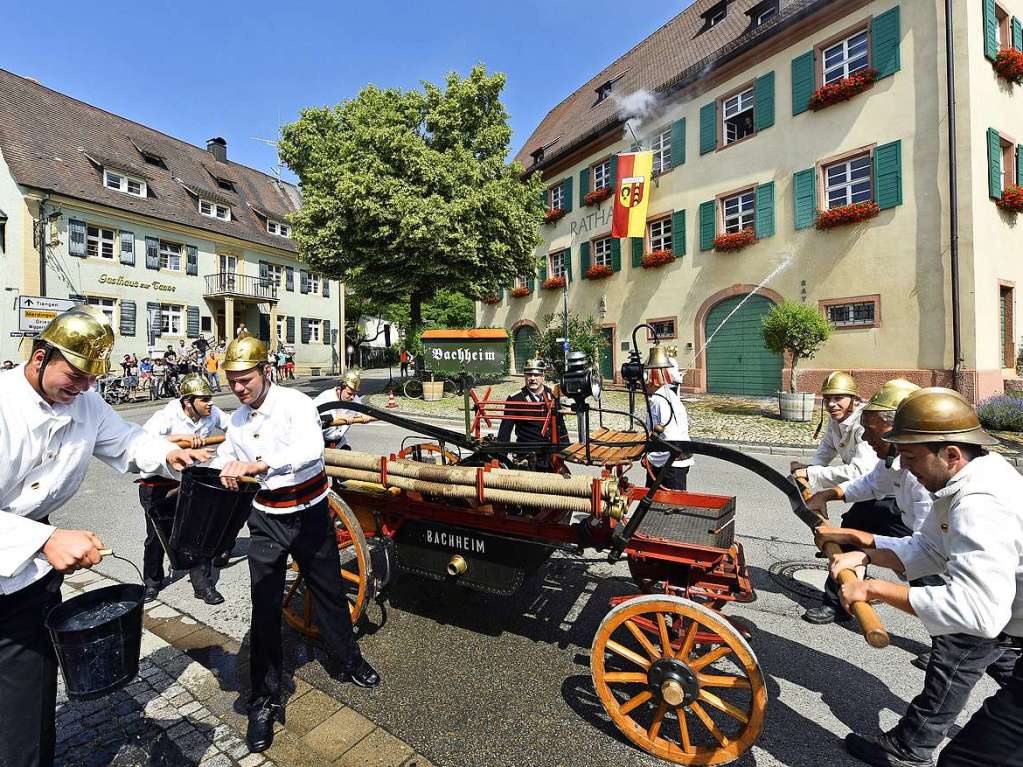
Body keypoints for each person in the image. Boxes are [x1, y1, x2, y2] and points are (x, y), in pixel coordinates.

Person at [0, 306, 209, 767]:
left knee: (27, 712)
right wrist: (41, 540)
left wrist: (165, 454)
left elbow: (127, 440)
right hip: (20, 549)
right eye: (75, 374)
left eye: (92, 378)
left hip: (27, 583)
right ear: (39, 357)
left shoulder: (86, 404)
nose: (83, 388)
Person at [819, 388, 1023, 767]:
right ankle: (908, 748)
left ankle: (907, 750)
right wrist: (866, 555)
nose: (905, 468)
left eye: (911, 457)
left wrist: (874, 587)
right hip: (1014, 624)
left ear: (950, 454)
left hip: (1004, 620)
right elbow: (928, 548)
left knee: (966, 759)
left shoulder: (981, 502)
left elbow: (978, 613)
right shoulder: (965, 478)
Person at [213, 334, 380, 753]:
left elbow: (310, 450)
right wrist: (223, 469)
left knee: (327, 591)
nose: (239, 389)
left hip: (309, 514)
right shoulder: (236, 423)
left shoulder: (296, 405)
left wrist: (262, 463)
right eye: (232, 381)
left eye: (245, 379)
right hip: (268, 519)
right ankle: (264, 701)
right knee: (265, 610)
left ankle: (348, 659)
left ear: (265, 372)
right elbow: (225, 458)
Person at [803, 379, 944, 626]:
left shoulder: (924, 474)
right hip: (882, 503)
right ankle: (837, 603)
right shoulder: (895, 456)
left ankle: (947, 638)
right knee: (848, 531)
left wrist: (870, 571)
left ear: (899, 428)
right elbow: (871, 483)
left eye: (871, 429)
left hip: (903, 517)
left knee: (925, 568)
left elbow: (926, 549)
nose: (866, 437)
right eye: (828, 398)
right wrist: (828, 494)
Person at [139, 373, 231, 605]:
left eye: (210, 398)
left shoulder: (212, 413)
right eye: (204, 399)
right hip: (157, 483)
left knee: (197, 533)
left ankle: (202, 585)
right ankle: (152, 582)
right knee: (157, 536)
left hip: (187, 481)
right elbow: (142, 439)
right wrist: (180, 437)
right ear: (187, 402)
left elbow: (234, 425)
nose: (210, 403)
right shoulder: (167, 415)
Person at [790, 371, 877, 494]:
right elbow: (828, 447)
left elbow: (860, 472)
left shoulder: (864, 423)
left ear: (855, 400)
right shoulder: (836, 418)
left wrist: (811, 473)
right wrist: (812, 468)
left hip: (887, 494)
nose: (831, 404)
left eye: (838, 398)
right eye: (827, 399)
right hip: (866, 489)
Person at [496, 358, 569, 472]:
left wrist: (565, 451)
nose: (532, 378)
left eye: (536, 374)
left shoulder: (552, 395)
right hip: (527, 457)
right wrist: (501, 459)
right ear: (524, 377)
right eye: (529, 375)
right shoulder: (515, 399)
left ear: (543, 376)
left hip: (550, 456)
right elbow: (504, 432)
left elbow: (560, 426)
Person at [643, 352, 693, 490]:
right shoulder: (665, 395)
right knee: (650, 506)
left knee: (667, 507)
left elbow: (672, 442)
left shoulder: (661, 401)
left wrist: (650, 459)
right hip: (668, 464)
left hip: (671, 467)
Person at [312, 369, 364, 450]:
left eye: (355, 394)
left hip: (339, 442)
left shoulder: (355, 400)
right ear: (340, 388)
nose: (352, 397)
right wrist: (335, 417)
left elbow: (363, 413)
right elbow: (310, 419)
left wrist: (365, 416)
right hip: (319, 444)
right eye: (349, 393)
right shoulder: (325, 398)